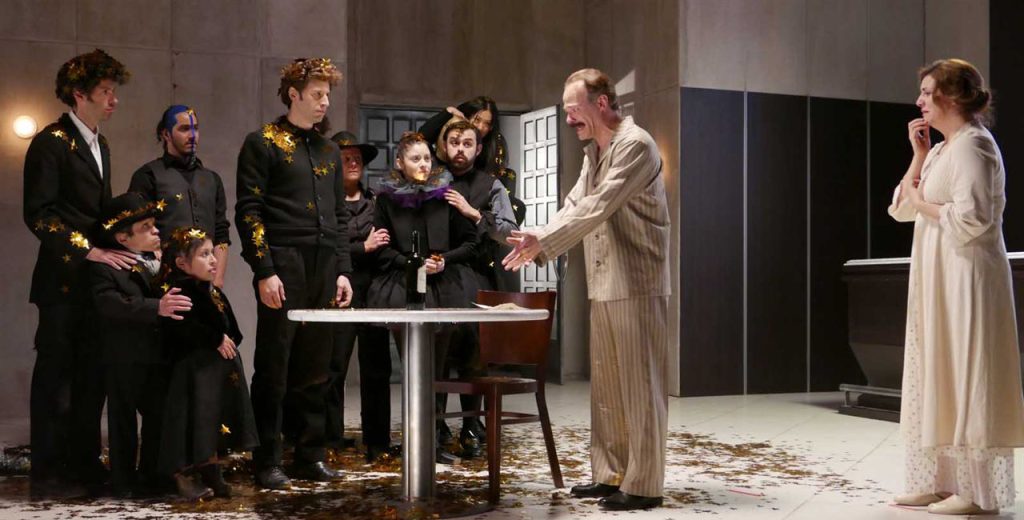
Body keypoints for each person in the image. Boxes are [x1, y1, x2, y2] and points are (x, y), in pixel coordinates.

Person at [503, 68, 671, 511]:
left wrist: (545, 242)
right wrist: (539, 237)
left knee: (641, 385)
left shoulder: (635, 144)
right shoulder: (594, 152)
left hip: (638, 280)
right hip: (605, 279)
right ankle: (610, 474)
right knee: (609, 388)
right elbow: (575, 203)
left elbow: (600, 205)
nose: (568, 119)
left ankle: (644, 484)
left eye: (573, 110)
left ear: (600, 103)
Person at [888, 58, 1024, 516]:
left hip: (967, 275)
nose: (920, 101)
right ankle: (941, 480)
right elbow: (901, 208)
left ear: (952, 97)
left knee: (967, 370)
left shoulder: (974, 146)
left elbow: (973, 219)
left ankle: (977, 491)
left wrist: (922, 201)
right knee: (939, 370)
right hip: (939, 274)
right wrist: (919, 156)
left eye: (928, 93)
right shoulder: (943, 150)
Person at [235, 57, 353, 490]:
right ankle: (267, 459)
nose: (325, 102)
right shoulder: (261, 142)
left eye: (328, 95)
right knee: (274, 365)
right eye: (317, 94)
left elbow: (340, 216)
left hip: (324, 263)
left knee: (317, 367)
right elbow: (249, 211)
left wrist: (343, 270)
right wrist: (264, 270)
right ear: (293, 94)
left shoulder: (328, 150)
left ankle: (309, 454)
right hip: (283, 261)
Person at [23, 48, 130, 497]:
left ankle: (84, 462)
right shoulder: (50, 142)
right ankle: (49, 469)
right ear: (79, 94)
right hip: (62, 279)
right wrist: (88, 250)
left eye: (114, 91)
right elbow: (39, 214)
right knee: (57, 378)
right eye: (106, 91)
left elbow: (99, 214)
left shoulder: (101, 144)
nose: (114, 100)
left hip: (93, 280)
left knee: (91, 375)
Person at [367, 132, 478, 464]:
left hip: (444, 285)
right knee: (413, 365)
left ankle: (433, 440)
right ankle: (415, 439)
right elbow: (381, 248)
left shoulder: (446, 196)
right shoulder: (385, 201)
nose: (424, 164)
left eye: (427, 158)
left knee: (438, 367)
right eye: (416, 159)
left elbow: (470, 242)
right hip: (402, 286)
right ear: (400, 162)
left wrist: (444, 260)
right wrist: (410, 263)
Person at [88, 193, 185, 498]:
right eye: (146, 227)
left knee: (158, 415)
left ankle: (153, 475)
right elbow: (109, 303)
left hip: (158, 352)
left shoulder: (162, 260)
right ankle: (123, 480)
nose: (156, 231)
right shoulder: (107, 266)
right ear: (122, 237)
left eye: (154, 224)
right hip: (125, 354)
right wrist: (155, 307)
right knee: (123, 419)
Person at [435, 119, 520, 457]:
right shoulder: (431, 180)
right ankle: (436, 426)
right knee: (437, 354)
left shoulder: (491, 185)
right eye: (454, 142)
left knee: (473, 354)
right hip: (438, 276)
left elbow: (509, 232)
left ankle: (471, 426)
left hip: (478, 276)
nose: (460, 149)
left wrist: (473, 214)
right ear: (444, 146)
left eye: (467, 143)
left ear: (478, 147)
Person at [157, 227, 258, 501]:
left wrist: (229, 338)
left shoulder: (212, 291)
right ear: (182, 263)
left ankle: (210, 467)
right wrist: (215, 338)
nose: (214, 260)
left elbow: (229, 324)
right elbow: (183, 327)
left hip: (217, 372)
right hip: (194, 373)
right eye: (204, 255)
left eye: (212, 253)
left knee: (213, 419)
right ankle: (184, 473)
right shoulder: (181, 292)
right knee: (193, 419)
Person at [326, 130, 398, 463]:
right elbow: (328, 247)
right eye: (346, 158)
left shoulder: (377, 202)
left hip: (374, 292)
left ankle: (377, 441)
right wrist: (363, 247)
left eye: (357, 158)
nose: (353, 163)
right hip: (340, 292)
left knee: (377, 368)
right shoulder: (328, 204)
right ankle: (331, 438)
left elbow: (387, 242)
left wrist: (371, 248)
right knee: (334, 367)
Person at [129, 105, 231, 288]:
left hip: (205, 284)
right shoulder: (148, 175)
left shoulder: (212, 179)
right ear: (166, 134)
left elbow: (221, 233)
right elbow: (137, 230)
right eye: (184, 129)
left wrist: (218, 279)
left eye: (195, 128)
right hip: (163, 282)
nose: (192, 135)